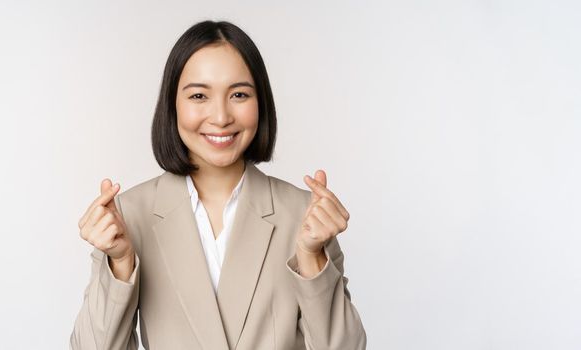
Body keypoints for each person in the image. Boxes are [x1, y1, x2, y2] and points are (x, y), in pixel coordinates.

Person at [71, 20, 366, 349]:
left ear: (261, 103)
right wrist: (120, 262)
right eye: (199, 95)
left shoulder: (303, 213)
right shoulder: (130, 215)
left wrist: (311, 259)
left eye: (239, 94)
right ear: (173, 106)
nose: (221, 116)